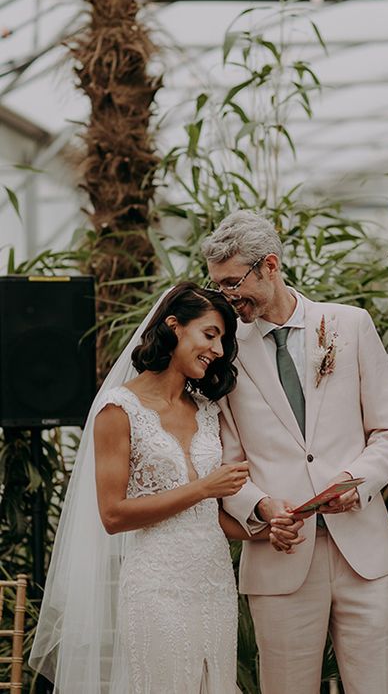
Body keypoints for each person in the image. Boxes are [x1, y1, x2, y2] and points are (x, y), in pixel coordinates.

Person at [202, 210, 388, 694]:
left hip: (364, 555)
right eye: (219, 286)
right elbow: (226, 460)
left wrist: (354, 486)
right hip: (280, 555)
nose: (227, 297)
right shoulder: (225, 350)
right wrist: (260, 506)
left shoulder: (350, 325)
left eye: (234, 283)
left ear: (270, 266)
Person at [30, 282, 252, 693]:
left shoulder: (206, 411)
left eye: (223, 339)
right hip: (158, 587)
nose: (218, 350)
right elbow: (113, 515)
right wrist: (204, 487)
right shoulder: (119, 410)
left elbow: (210, 519)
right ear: (174, 326)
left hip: (216, 585)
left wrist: (261, 529)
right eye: (209, 334)